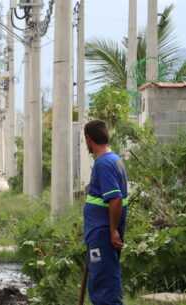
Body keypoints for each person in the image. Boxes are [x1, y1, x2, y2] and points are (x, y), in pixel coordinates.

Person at [83, 119, 129, 305]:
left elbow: (115, 198)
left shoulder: (104, 164)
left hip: (103, 235)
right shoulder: (114, 160)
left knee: (103, 285)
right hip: (100, 234)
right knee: (104, 280)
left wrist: (112, 231)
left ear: (88, 139)